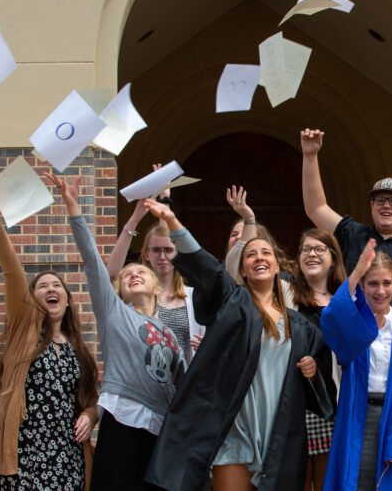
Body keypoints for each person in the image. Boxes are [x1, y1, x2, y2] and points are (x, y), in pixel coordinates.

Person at [141, 200, 335, 491]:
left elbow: (320, 383)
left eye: (266, 253)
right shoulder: (233, 303)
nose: (259, 258)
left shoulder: (301, 326)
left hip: (278, 430)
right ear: (242, 269)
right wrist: (172, 222)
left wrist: (312, 370)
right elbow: (207, 269)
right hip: (234, 427)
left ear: (277, 265)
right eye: (251, 255)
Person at [46, 173, 186, 491]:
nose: (135, 274)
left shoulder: (170, 333)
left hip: (161, 428)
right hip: (122, 421)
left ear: (157, 284)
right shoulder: (114, 313)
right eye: (128, 275)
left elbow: (184, 385)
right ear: (119, 292)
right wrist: (73, 207)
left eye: (142, 272)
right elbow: (94, 263)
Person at [0, 192, 99, 491]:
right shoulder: (22, 329)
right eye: (42, 286)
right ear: (32, 297)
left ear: (67, 301)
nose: (51, 289)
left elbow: (92, 398)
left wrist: (91, 416)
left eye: (57, 286)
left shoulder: (78, 350)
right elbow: (12, 270)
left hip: (68, 457)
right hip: (25, 457)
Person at [321, 240, 392, 490]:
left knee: (391, 482)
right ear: (362, 286)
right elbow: (331, 317)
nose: (380, 291)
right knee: (358, 481)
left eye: (386, 283)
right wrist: (356, 272)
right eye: (372, 283)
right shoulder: (354, 323)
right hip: (357, 414)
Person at [300, 128, 392, 273]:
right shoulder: (353, 234)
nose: (386, 206)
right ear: (372, 205)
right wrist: (310, 156)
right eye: (380, 200)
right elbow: (316, 208)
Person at [106, 199, 204, 361]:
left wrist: (206, 347)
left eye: (168, 250)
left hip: (183, 381)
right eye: (156, 250)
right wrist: (134, 219)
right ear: (146, 254)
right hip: (144, 381)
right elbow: (110, 274)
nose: (162, 256)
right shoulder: (136, 293)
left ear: (178, 253)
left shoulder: (193, 297)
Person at [290, 228, 346, 491]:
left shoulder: (345, 302)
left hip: (331, 406)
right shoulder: (285, 296)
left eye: (319, 249)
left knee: (326, 483)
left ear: (333, 258)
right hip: (293, 406)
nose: (311, 254)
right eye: (306, 249)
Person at [223, 185, 295, 307]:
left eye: (245, 234)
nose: (239, 238)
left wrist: (249, 218)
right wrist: (249, 219)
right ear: (242, 271)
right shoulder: (222, 276)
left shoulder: (286, 284)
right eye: (234, 234)